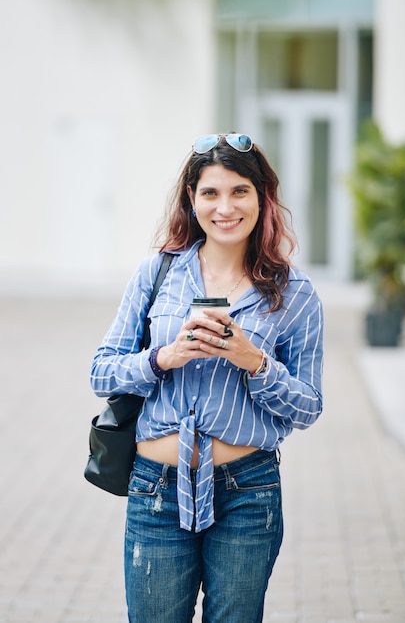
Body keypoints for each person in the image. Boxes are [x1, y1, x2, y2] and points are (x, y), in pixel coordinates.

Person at [90, 132, 324, 623]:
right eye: (211, 193)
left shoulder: (293, 292)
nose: (225, 207)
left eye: (240, 191)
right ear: (191, 199)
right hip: (156, 488)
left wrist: (254, 361)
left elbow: (308, 406)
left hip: (248, 490)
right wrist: (164, 357)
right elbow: (102, 370)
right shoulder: (157, 273)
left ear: (262, 198)